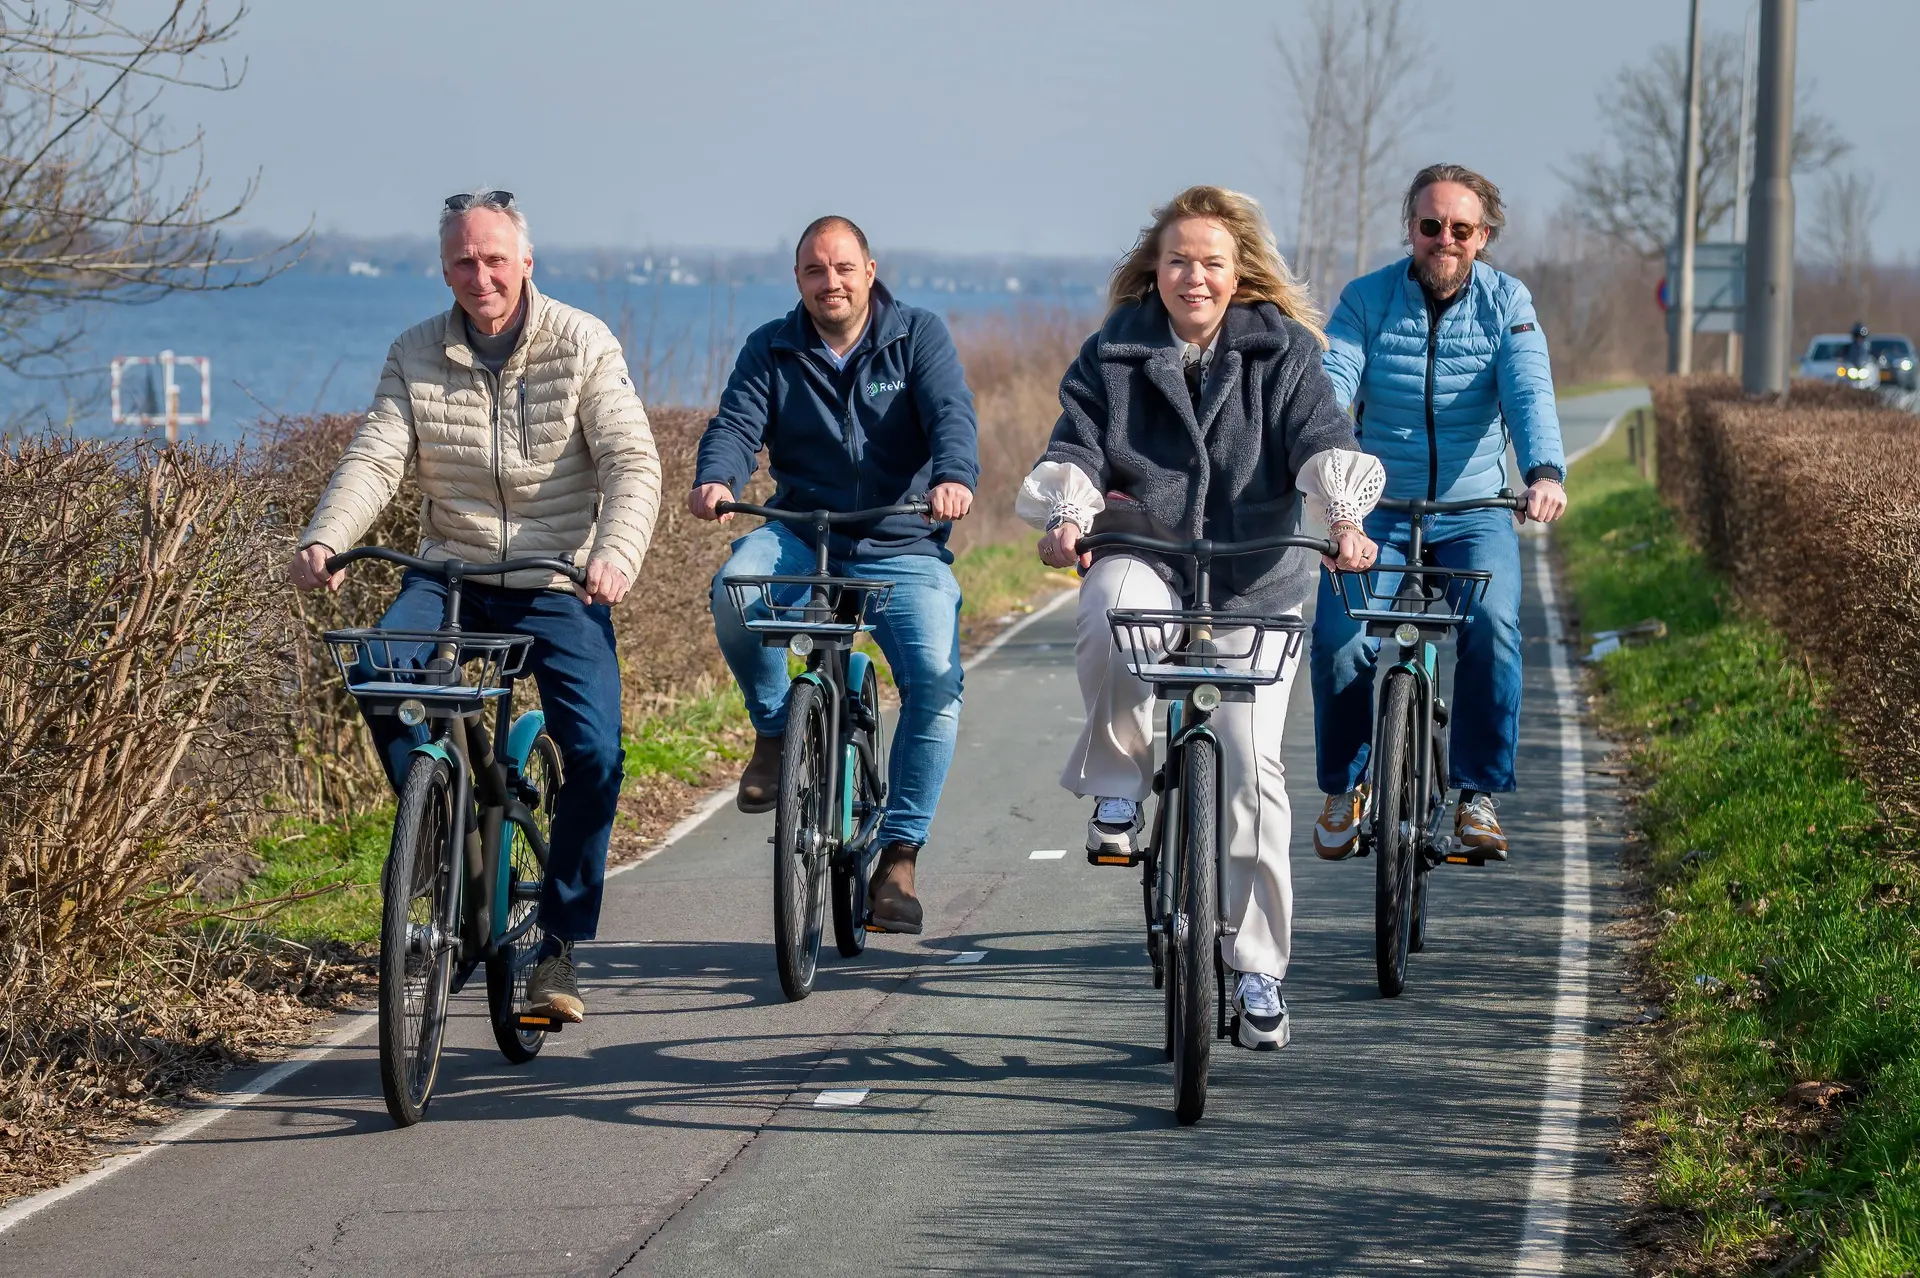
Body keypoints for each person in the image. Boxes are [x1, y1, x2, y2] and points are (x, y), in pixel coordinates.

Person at [1017, 186, 1381, 1050]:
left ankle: (1256, 971)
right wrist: (1068, 515)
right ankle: (1117, 789)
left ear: (1239, 271)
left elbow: (1321, 436)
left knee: (1255, 768)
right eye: (1179, 260)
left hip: (1257, 573)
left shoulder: (1285, 351)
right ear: (1156, 268)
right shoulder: (1116, 348)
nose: (1195, 277)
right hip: (1146, 547)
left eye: (1212, 262)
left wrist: (1343, 515)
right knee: (1109, 609)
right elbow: (1075, 440)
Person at [290, 189, 662, 1024]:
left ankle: (559, 943)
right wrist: (327, 536)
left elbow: (634, 463)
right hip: (450, 575)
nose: (480, 275)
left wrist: (613, 554)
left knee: (596, 754)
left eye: (495, 258)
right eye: (464, 260)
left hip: (555, 580)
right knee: (378, 668)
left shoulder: (581, 342)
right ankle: (443, 817)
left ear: (526, 262)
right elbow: (376, 455)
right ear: (445, 267)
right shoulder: (415, 351)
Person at [690, 215, 979, 936]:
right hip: (802, 534)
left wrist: (953, 477)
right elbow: (735, 424)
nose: (832, 282)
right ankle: (778, 728)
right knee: (736, 592)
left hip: (900, 537)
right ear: (799, 280)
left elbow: (951, 415)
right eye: (816, 271)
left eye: (844, 268)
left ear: (870, 271)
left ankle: (900, 856)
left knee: (937, 682)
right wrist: (717, 479)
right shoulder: (773, 346)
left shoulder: (917, 336)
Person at [1310, 163, 1566, 863]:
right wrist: (1330, 482)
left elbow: (1528, 392)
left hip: (1474, 510)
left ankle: (1477, 795)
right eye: (1430, 226)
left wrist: (1543, 472)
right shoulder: (1365, 300)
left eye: (1460, 229)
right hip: (1373, 509)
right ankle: (1346, 786)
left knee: (1494, 623)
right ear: (1411, 230)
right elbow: (1332, 388)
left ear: (1483, 237)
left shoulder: (1507, 304)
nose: (1443, 240)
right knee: (1337, 637)